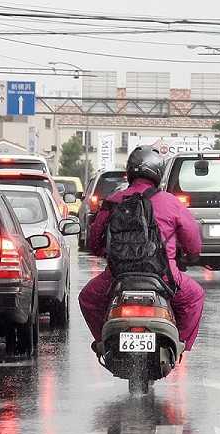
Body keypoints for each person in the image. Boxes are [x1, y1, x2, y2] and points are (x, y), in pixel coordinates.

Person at [78, 146, 205, 353]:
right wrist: (190, 256)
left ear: (129, 172)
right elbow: (193, 244)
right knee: (195, 296)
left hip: (118, 277)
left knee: (87, 298)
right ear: (158, 174)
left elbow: (93, 243)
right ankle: (179, 344)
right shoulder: (171, 202)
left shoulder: (113, 201)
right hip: (165, 276)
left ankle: (104, 342)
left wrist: (109, 253)